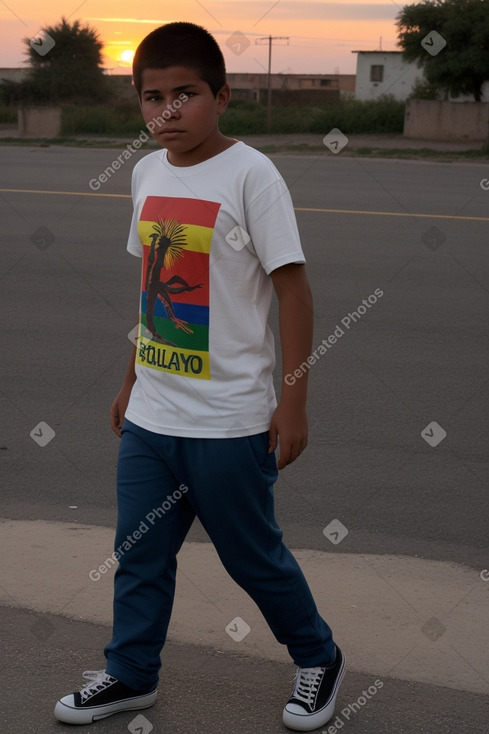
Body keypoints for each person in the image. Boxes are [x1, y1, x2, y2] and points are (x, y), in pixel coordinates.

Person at [54, 21, 345, 731]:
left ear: (222, 95)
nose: (168, 112)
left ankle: (318, 657)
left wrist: (293, 401)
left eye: (185, 94)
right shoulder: (146, 173)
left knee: (253, 560)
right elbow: (154, 290)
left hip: (229, 421)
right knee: (139, 554)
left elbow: (294, 292)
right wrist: (130, 378)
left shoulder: (252, 174)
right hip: (154, 416)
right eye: (152, 98)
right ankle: (130, 674)